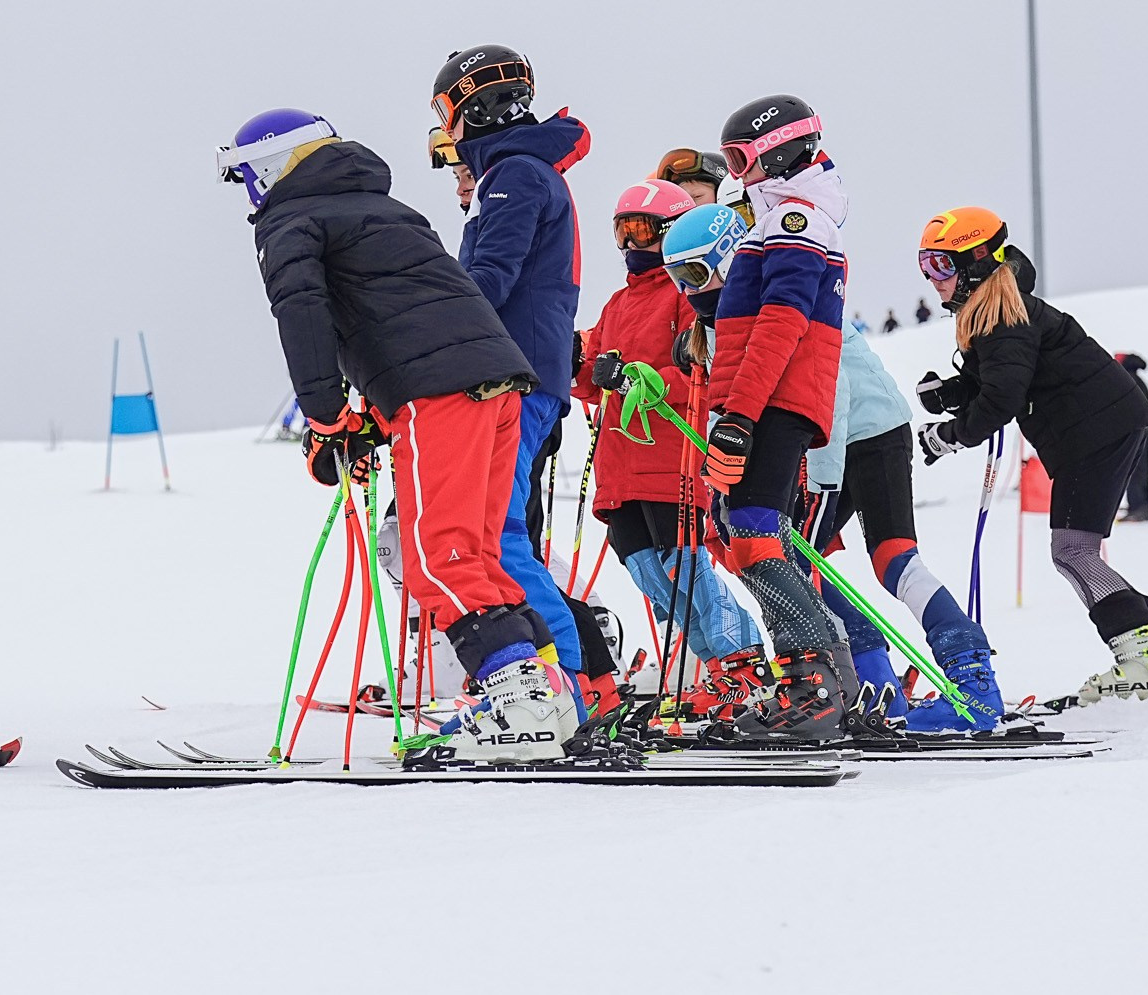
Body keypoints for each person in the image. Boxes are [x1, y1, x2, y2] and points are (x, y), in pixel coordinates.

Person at [219, 107, 575, 763]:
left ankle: (519, 708)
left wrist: (324, 417)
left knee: (437, 555)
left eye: (245, 174)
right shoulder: (386, 208)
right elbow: (407, 317)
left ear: (269, 166)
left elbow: (302, 312)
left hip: (439, 393)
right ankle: (544, 700)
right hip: (500, 382)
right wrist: (362, 424)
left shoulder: (290, 219)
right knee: (479, 553)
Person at [915, 208, 1148, 705]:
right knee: (1072, 552)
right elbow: (1002, 378)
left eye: (941, 266)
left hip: (1095, 432)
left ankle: (1146, 656)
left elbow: (1002, 399)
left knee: (1073, 551)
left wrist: (948, 434)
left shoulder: (1003, 319)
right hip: (1098, 429)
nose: (933, 280)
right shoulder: (1002, 311)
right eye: (925, 267)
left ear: (974, 262)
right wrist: (950, 394)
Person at [431, 46, 600, 707]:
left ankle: (568, 694)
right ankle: (558, 687)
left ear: (467, 110)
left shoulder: (515, 174)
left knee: (498, 536)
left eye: (447, 118)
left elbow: (487, 282)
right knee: (496, 534)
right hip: (523, 370)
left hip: (516, 375)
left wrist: (421, 331)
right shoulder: (523, 170)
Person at [700, 94, 860, 741]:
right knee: (751, 533)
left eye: (745, 159)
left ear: (782, 149)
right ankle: (827, 679)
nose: (739, 176)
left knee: (756, 535)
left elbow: (782, 323)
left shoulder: (797, 218)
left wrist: (740, 412)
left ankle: (811, 686)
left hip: (774, 398)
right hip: (767, 397)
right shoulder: (788, 217)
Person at [577, 189, 766, 722]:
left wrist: (645, 376)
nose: (631, 244)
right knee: (648, 574)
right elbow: (594, 375)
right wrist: (574, 365)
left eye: (643, 230)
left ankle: (742, 660)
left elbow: (703, 373)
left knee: (684, 568)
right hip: (621, 464)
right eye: (622, 232)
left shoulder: (686, 293)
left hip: (669, 457)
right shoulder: (617, 303)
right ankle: (718, 670)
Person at [811, 318, 1005, 732]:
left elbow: (830, 384)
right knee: (793, 559)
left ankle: (969, 681)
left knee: (886, 560)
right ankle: (879, 682)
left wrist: (817, 478)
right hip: (847, 432)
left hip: (854, 432)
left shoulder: (779, 280)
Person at [1113, 353, 1148, 522]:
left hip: (1134, 432)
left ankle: (1138, 508)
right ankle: (1141, 505)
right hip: (1142, 431)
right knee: (1141, 468)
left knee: (1134, 470)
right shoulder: (1137, 379)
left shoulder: (1128, 380)